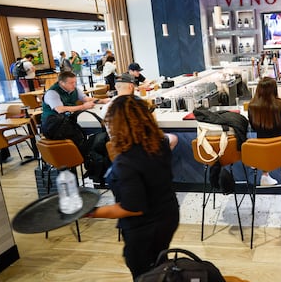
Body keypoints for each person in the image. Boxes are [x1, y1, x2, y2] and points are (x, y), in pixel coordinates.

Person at [84, 95, 179, 280]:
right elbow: (171, 139)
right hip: (168, 214)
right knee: (160, 264)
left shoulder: (126, 162)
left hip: (145, 227)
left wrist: (90, 212)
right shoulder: (159, 144)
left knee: (144, 272)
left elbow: (132, 208)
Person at [247, 76, 281, 186]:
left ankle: (264, 174)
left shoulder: (252, 106)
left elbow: (254, 127)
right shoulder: (280, 104)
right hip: (279, 150)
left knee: (264, 147)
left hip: (260, 151)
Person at [41, 71, 110, 136]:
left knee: (101, 128)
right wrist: (83, 107)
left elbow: (86, 99)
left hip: (69, 120)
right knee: (100, 129)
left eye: (75, 82)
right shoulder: (52, 93)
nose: (74, 85)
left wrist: (102, 101)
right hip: (54, 126)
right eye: (71, 83)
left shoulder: (74, 89)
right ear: (62, 83)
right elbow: (60, 109)